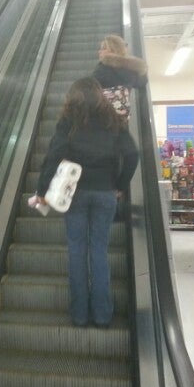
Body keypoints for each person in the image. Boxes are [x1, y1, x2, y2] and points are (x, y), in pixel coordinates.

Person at [35, 77, 125, 328]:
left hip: (75, 193)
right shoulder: (113, 121)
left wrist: (42, 190)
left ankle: (79, 315)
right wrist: (119, 184)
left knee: (76, 250)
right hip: (105, 192)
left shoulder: (69, 121)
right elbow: (128, 154)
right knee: (99, 250)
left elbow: (54, 154)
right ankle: (103, 315)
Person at [93, 34, 148, 197]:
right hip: (119, 121)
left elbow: (91, 88)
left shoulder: (101, 69)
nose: (99, 52)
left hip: (99, 119)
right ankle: (117, 189)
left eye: (103, 48)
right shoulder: (131, 70)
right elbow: (142, 82)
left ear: (112, 51)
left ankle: (106, 191)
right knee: (130, 153)